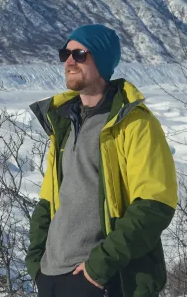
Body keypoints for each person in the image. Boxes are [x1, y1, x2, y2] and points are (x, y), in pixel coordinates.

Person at [25, 24, 178, 297]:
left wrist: (99, 267)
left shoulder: (135, 124)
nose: (69, 61)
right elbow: (47, 202)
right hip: (52, 277)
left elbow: (155, 206)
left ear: (103, 59)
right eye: (65, 54)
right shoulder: (63, 124)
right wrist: (36, 263)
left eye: (80, 54)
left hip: (103, 280)